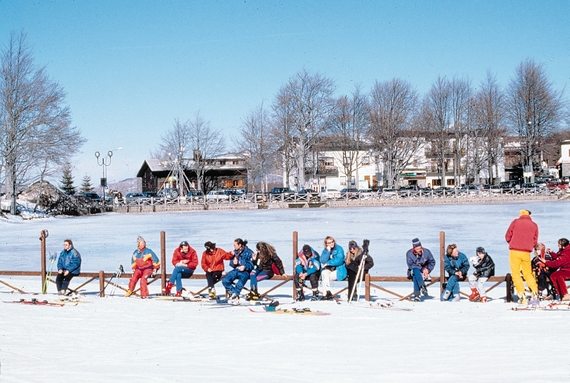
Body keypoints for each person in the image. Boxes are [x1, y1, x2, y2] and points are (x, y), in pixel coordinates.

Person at [505, 209, 539, 304]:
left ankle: (522, 295)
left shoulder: (515, 222)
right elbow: (535, 240)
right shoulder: (534, 225)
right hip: (526, 252)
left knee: (516, 273)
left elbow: (508, 235)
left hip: (515, 251)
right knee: (527, 273)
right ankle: (535, 293)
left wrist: (512, 242)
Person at [319, 236, 346, 300]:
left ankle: (325, 294)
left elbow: (339, 260)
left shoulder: (339, 249)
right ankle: (328, 292)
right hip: (328, 270)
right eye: (329, 242)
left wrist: (328, 263)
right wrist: (328, 251)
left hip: (338, 270)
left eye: (332, 241)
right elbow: (322, 260)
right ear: (326, 244)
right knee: (324, 273)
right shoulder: (325, 250)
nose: (331, 243)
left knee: (324, 277)